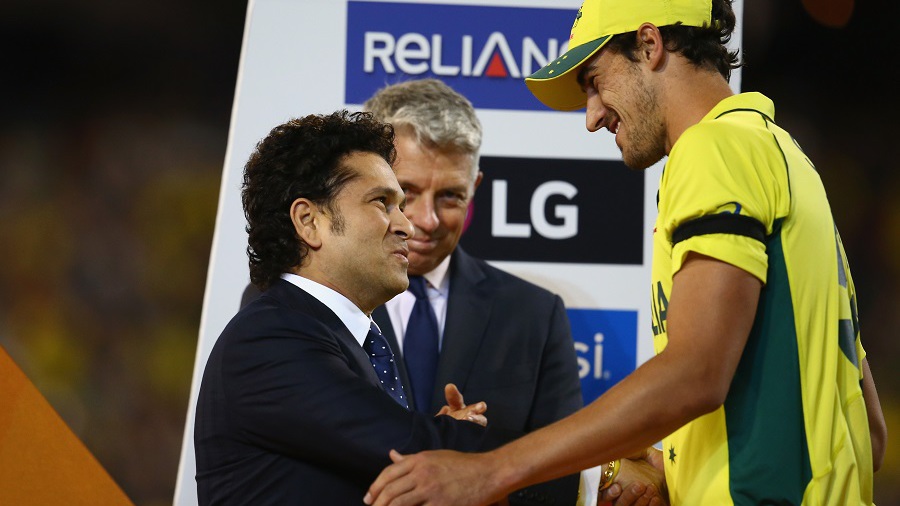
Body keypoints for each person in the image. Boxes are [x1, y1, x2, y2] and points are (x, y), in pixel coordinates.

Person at [363, 0, 888, 505]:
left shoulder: (712, 150)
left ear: (649, 44)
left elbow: (696, 374)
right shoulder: (789, 158)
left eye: (594, 82)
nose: (591, 117)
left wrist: (488, 471)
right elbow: (869, 431)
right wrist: (670, 467)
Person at [193, 110, 516, 505]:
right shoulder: (269, 339)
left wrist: (438, 437)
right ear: (309, 221)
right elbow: (405, 448)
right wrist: (454, 436)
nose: (407, 226)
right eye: (382, 202)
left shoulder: (350, 340)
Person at [362, 79, 585, 506]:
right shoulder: (303, 305)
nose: (425, 220)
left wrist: (480, 478)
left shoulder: (534, 315)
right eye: (405, 193)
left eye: (450, 196)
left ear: (475, 189)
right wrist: (439, 440)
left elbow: (562, 468)